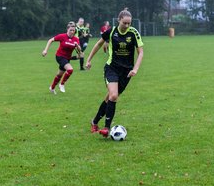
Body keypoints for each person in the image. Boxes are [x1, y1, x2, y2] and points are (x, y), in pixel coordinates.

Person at [86, 8, 144, 137]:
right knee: (113, 95)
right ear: (119, 20)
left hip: (127, 72)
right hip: (112, 68)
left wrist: (135, 69)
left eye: (129, 23)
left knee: (109, 98)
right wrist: (89, 60)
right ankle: (107, 128)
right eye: (125, 23)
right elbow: (98, 44)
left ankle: (94, 122)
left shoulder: (134, 33)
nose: (127, 26)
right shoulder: (111, 31)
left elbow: (141, 52)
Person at [42, 21, 82, 94]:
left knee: (59, 75)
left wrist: (78, 46)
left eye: (73, 30)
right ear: (67, 29)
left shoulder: (76, 39)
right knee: (70, 70)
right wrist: (45, 50)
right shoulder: (62, 36)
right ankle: (62, 84)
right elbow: (50, 40)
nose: (72, 32)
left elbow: (79, 51)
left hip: (67, 58)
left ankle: (52, 87)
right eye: (71, 30)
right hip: (59, 56)